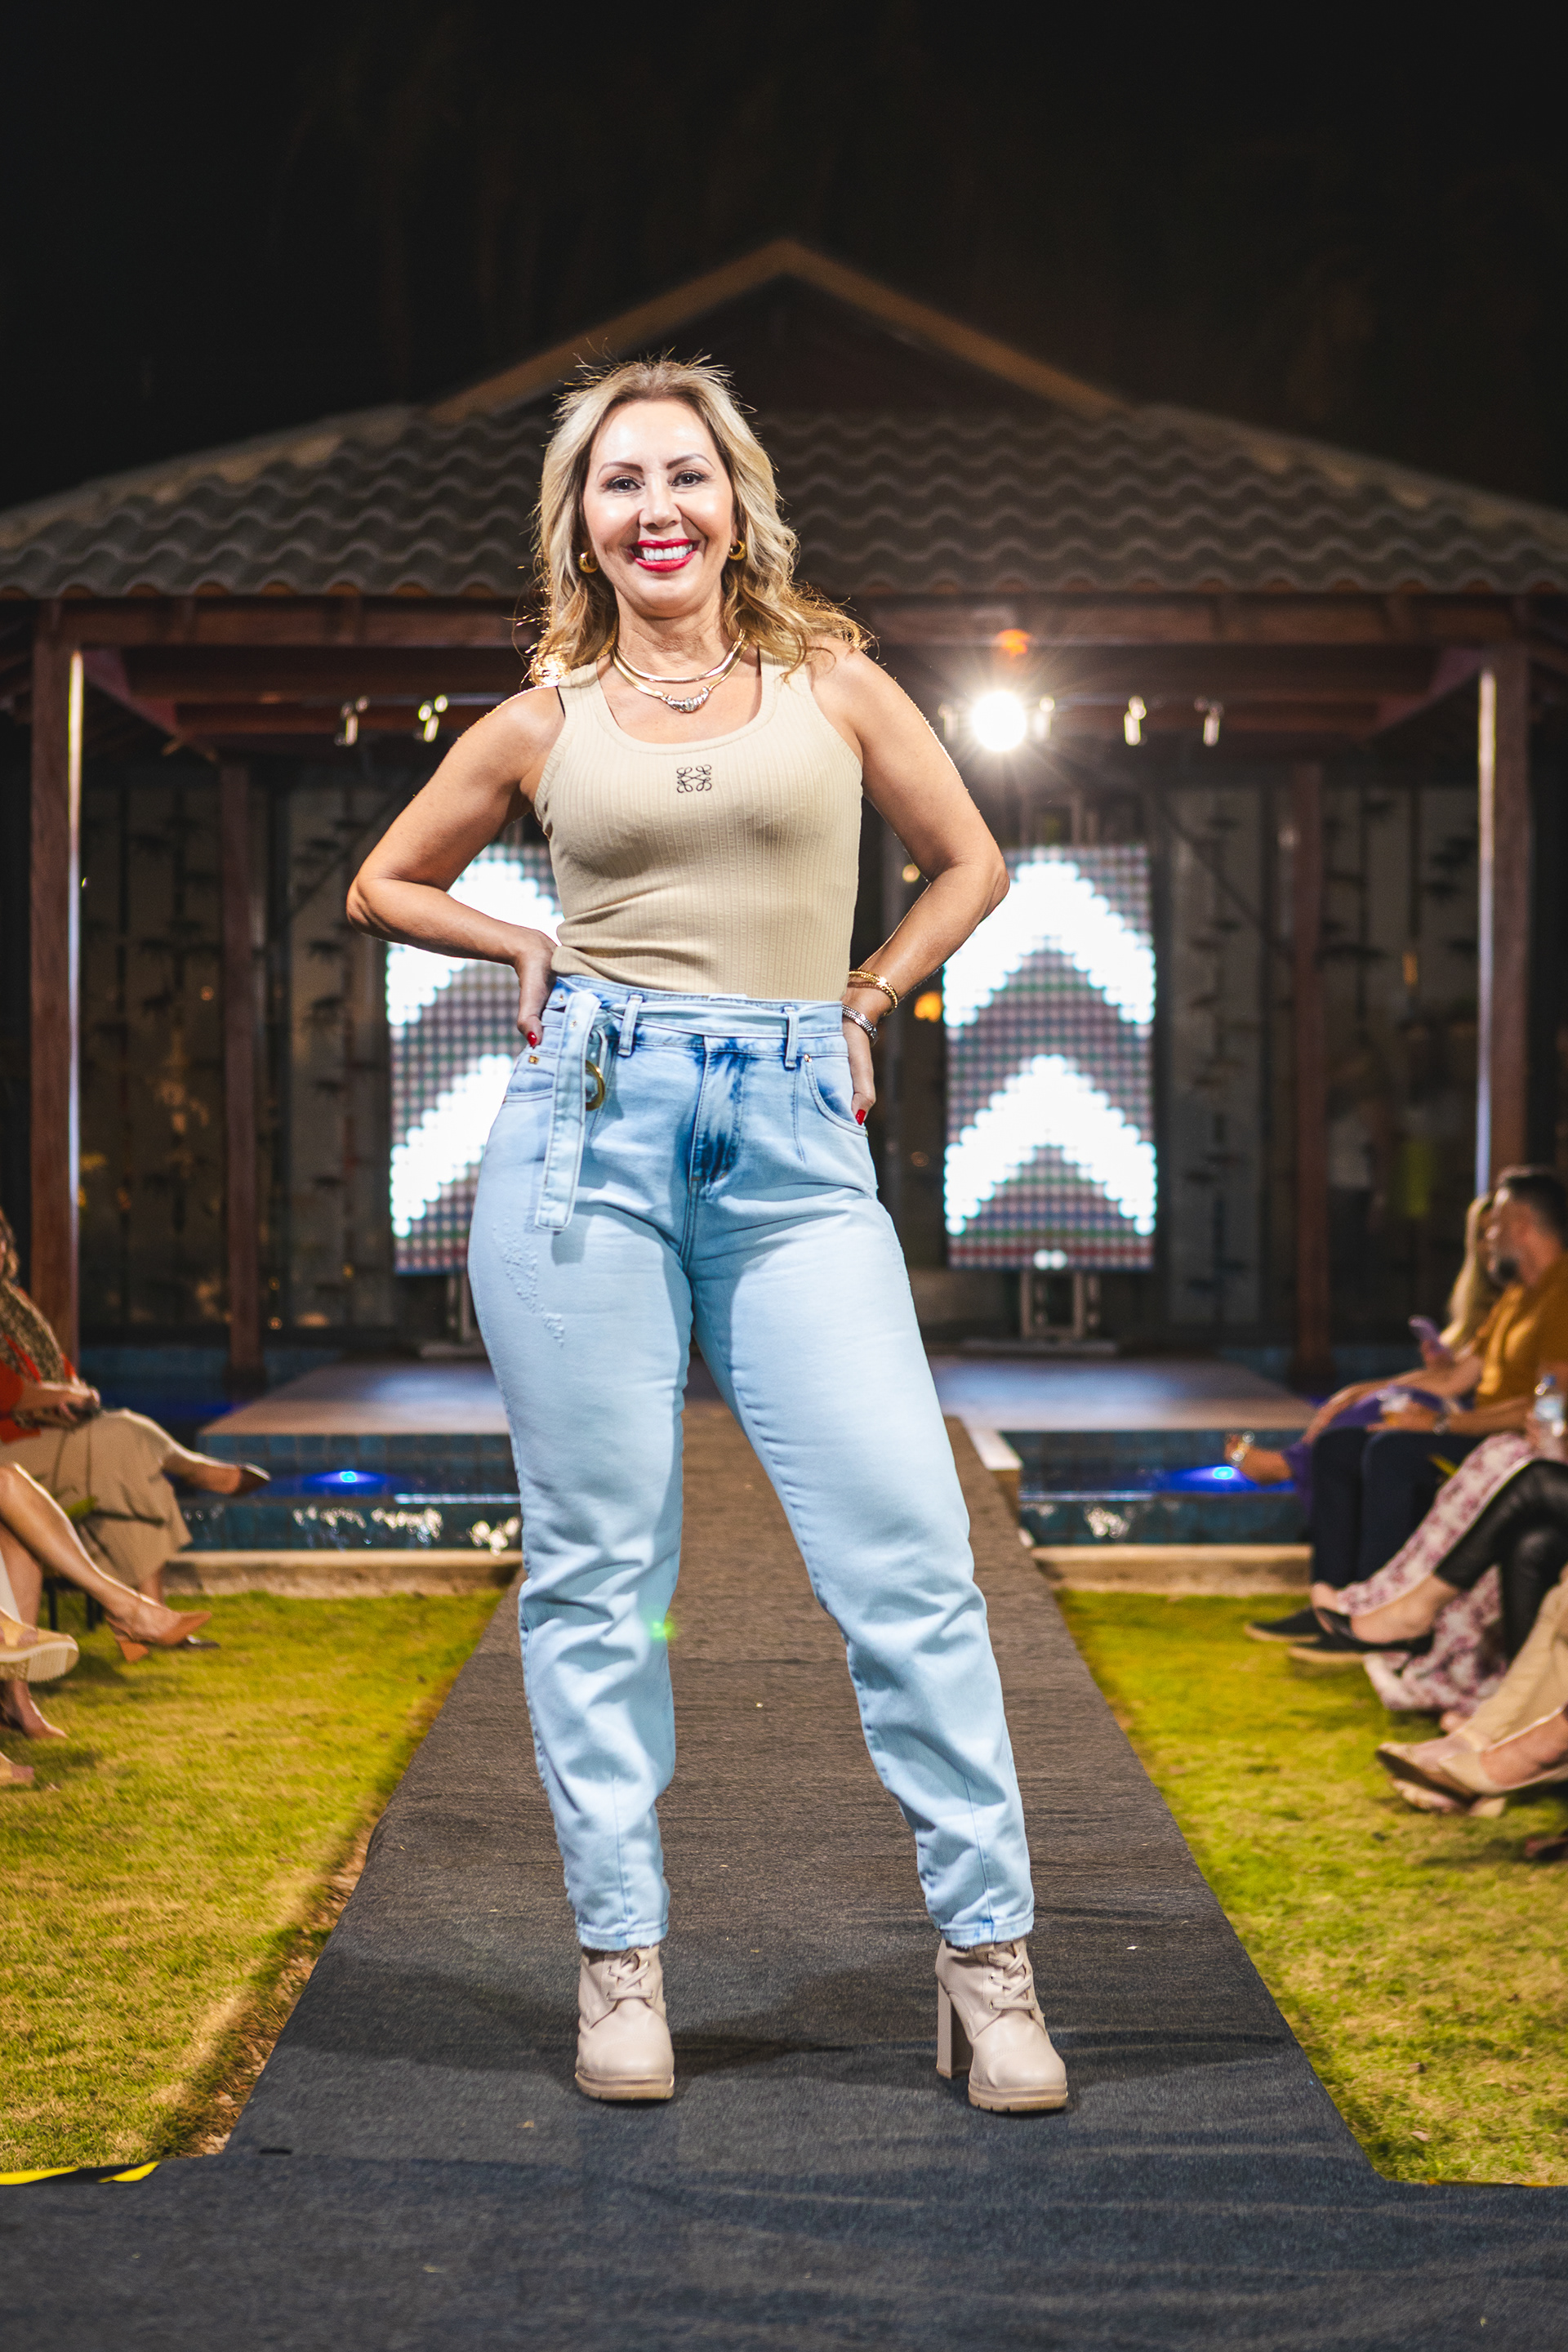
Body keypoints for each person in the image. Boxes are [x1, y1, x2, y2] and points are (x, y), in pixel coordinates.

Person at [348, 355, 1067, 2115]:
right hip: (582, 1135)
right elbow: (381, 881)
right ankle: (620, 1963)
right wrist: (519, 944)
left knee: (913, 1559)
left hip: (796, 1142)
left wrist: (871, 995)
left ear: (735, 502)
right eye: (621, 483)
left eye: (685, 474)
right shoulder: (544, 720)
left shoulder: (836, 687)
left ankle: (988, 1968)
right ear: (581, 526)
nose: (656, 507)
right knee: (601, 1573)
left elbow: (972, 860)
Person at [1253, 1172, 1568, 1647]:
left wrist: (1442, 1423)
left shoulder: (1562, 1290)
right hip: (1473, 1428)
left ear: (1522, 1224)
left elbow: (1547, 1404)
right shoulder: (1517, 1294)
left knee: (1392, 1451)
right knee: (1338, 1446)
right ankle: (1331, 1603)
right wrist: (1365, 1390)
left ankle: (1377, 1617)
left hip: (1509, 1443)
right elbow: (1456, 1377)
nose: (1489, 1234)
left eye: (1497, 1223)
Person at [0, 1208, 266, 1604]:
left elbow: (53, 1366)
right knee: (126, 1437)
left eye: (0, 1237)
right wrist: (58, 1395)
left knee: (134, 1470)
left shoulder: (13, 1303)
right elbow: (8, 1391)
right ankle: (196, 1471)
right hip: (11, 1452)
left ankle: (152, 1615)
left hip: (49, 1431)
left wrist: (75, 1392)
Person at [1232, 1189, 1499, 1503]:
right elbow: (1457, 1376)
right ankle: (1295, 1464)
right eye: (1482, 1234)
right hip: (1457, 1398)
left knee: (1388, 1406)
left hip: (1477, 1416)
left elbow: (1458, 1382)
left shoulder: (1518, 1304)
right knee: (1373, 1409)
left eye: (1496, 1231)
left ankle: (1286, 1465)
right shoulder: (1490, 1305)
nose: (1490, 1242)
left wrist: (1361, 1391)